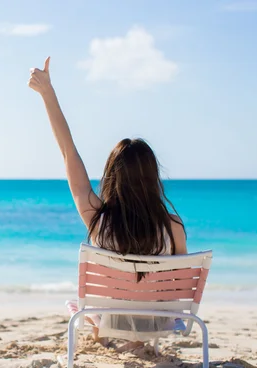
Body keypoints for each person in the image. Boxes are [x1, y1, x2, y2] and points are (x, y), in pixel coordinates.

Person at [28, 57, 188, 351]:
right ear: (153, 178)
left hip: (108, 321)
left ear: (111, 177)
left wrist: (47, 94)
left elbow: (68, 153)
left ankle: (100, 336)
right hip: (157, 321)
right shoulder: (173, 226)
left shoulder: (98, 219)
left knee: (96, 306)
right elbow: (177, 289)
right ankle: (137, 337)